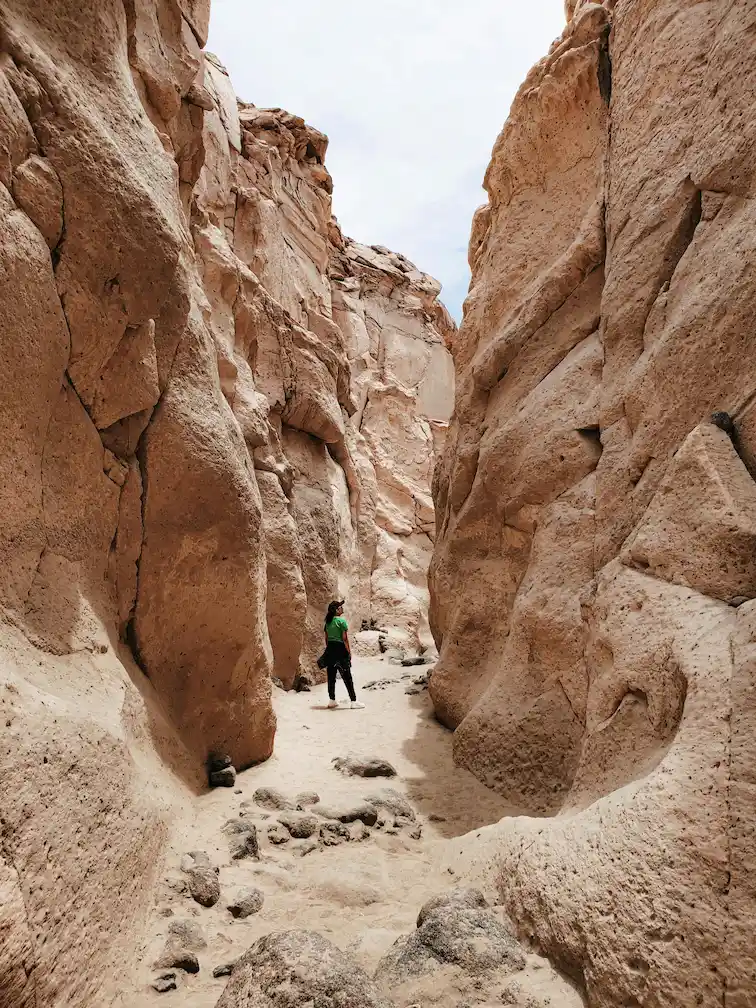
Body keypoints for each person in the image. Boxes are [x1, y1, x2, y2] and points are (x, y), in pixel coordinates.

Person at [323, 600, 364, 709]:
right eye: (340, 607)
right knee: (347, 676)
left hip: (330, 649)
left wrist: (329, 651)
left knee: (331, 676)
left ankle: (332, 700)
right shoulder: (341, 622)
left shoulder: (327, 622)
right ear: (337, 610)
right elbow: (344, 639)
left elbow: (326, 639)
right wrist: (349, 653)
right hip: (340, 649)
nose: (342, 608)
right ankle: (353, 701)